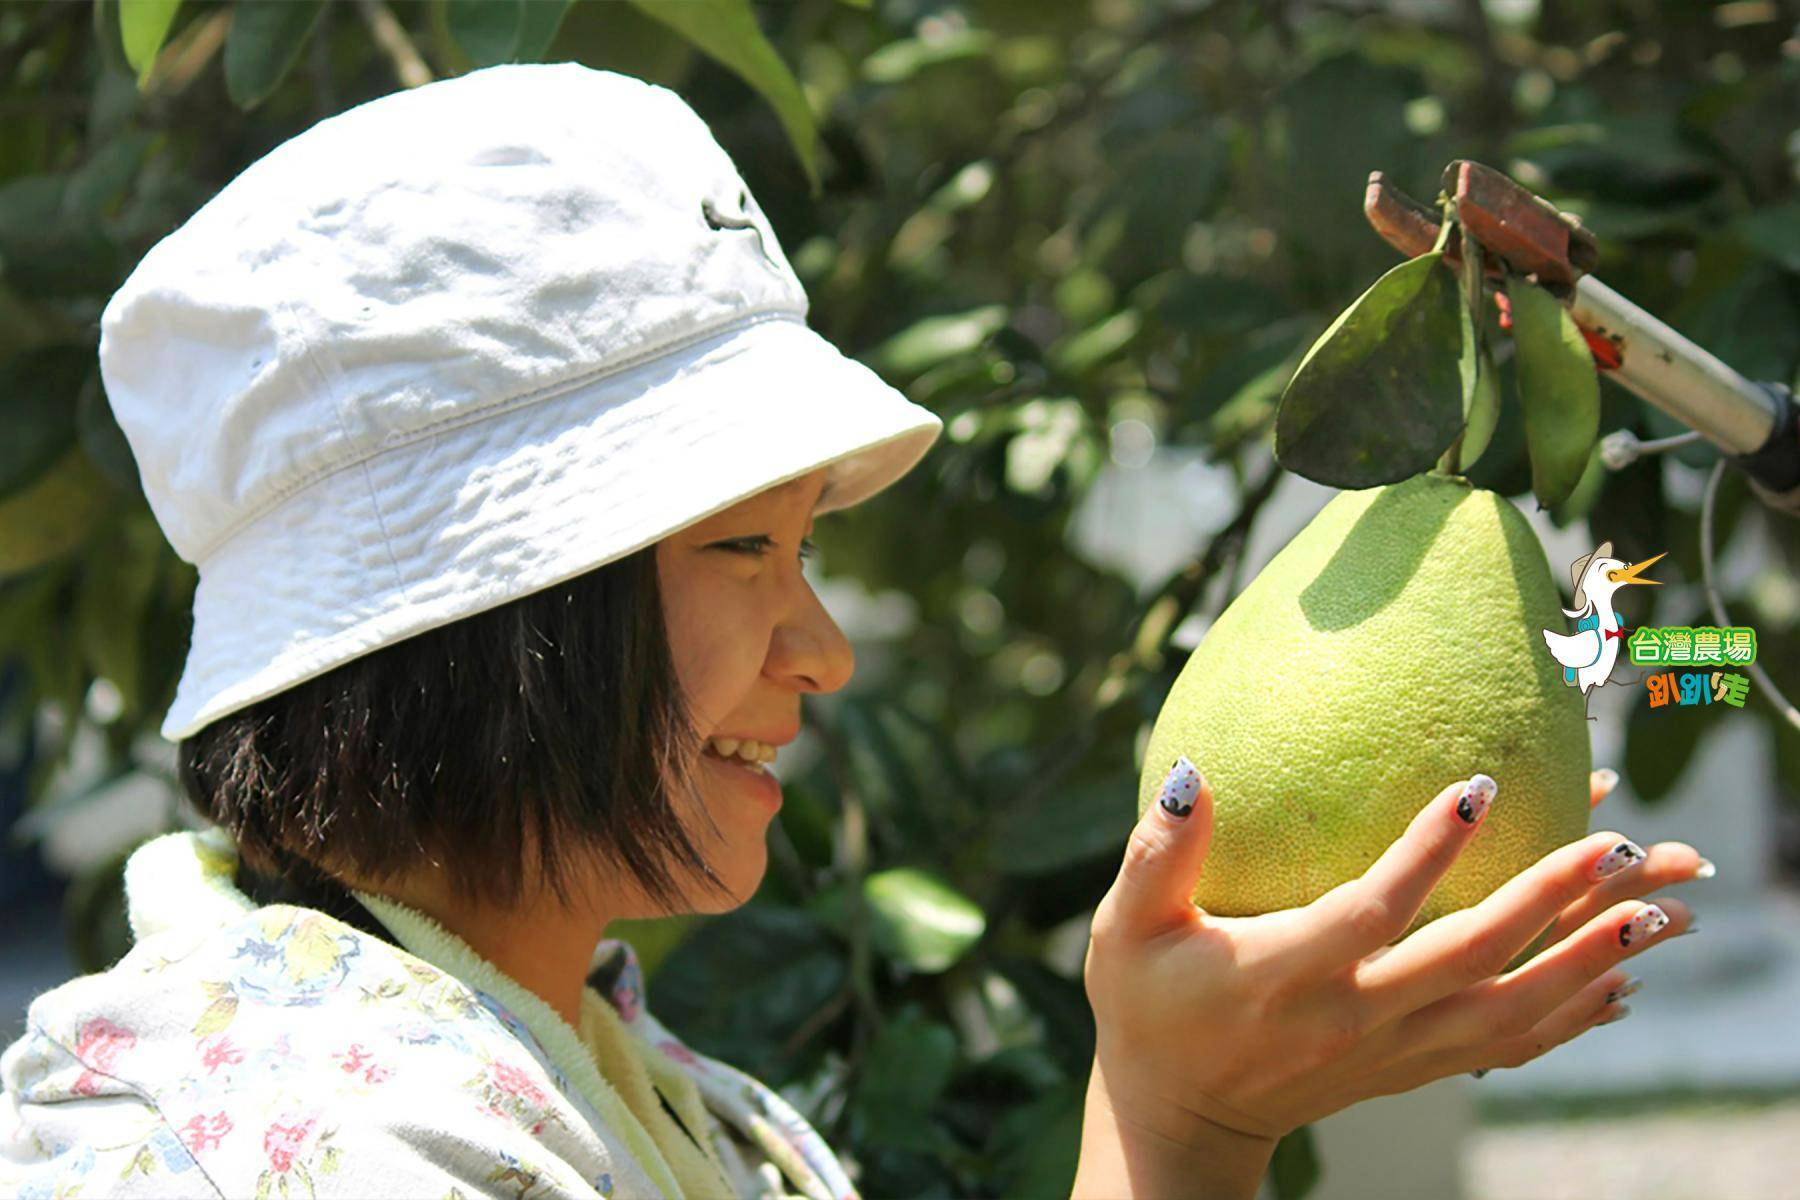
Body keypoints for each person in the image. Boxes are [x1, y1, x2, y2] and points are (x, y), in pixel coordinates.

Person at [0, 64, 1704, 1200]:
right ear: (474, 617)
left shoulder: (624, 1086)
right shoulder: (309, 1156)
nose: (823, 647)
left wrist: (1186, 1105)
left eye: (805, 547)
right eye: (745, 543)